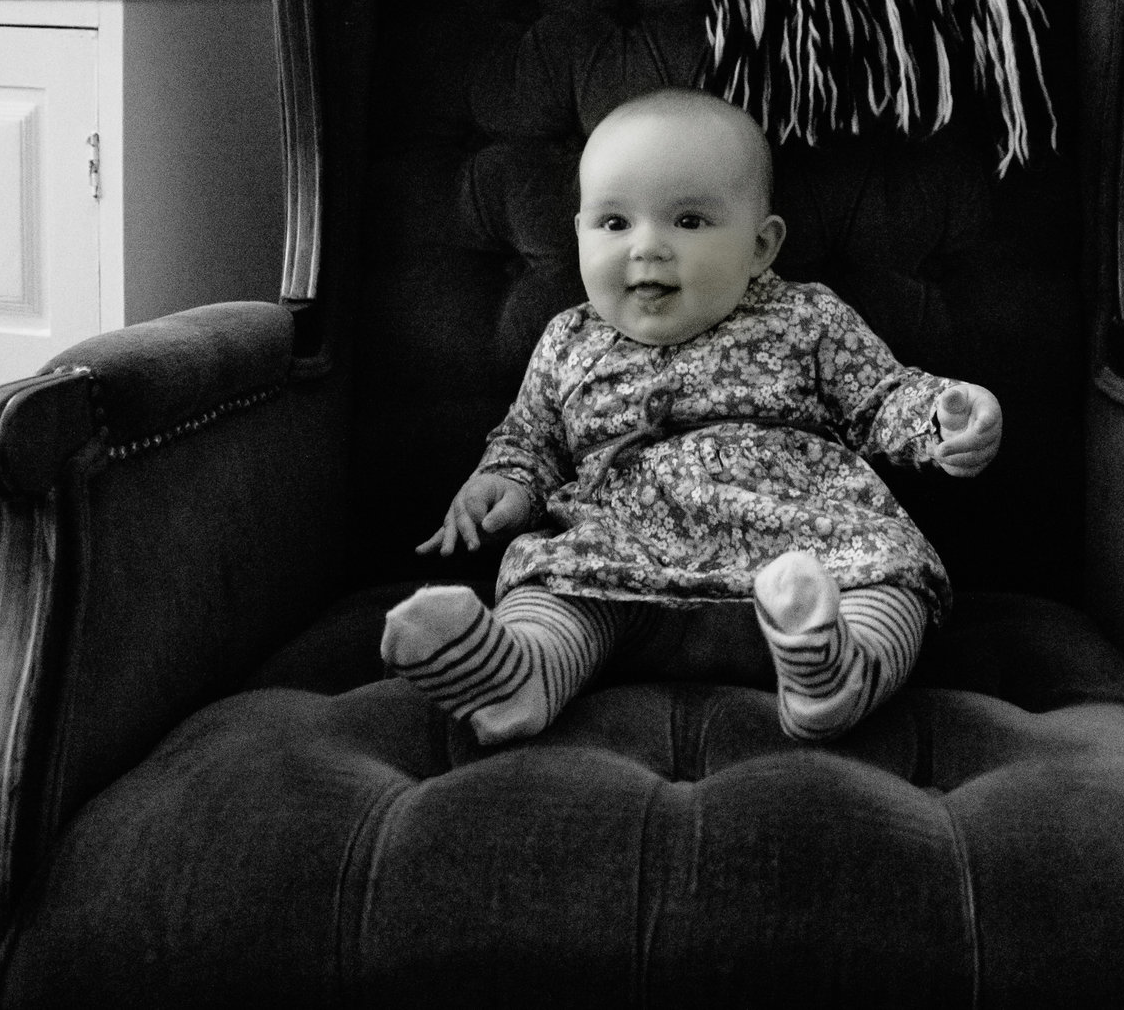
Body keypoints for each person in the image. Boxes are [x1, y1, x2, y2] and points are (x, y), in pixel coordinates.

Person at [380, 87, 1004, 744]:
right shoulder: (569, 340)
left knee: (890, 575)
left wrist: (946, 417)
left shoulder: (805, 316)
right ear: (579, 232)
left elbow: (879, 397)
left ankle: (835, 670)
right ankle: (521, 673)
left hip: (799, 551)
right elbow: (531, 436)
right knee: (546, 583)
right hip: (619, 567)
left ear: (760, 246)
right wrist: (504, 482)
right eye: (614, 223)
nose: (647, 247)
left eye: (689, 220)